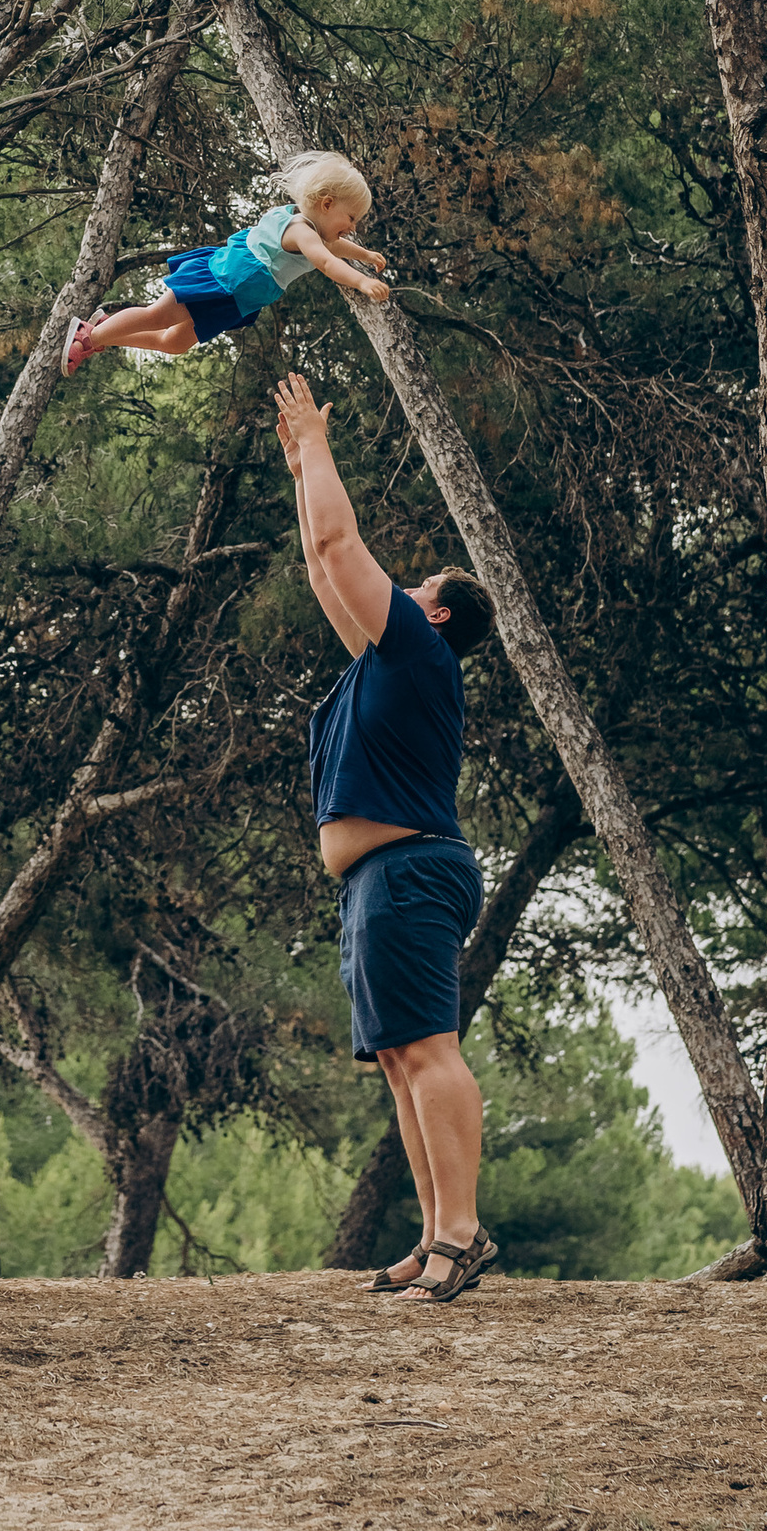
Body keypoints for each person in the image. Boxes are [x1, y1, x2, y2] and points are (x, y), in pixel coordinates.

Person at [275, 370, 501, 1308]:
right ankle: (435, 1231)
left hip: (410, 871)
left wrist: (320, 445)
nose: (403, 588)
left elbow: (341, 540)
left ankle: (460, 1236)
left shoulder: (420, 648)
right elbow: (323, 564)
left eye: (420, 585)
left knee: (431, 1052)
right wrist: (297, 462)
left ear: (438, 612)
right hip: (379, 880)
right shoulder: (384, 659)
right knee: (406, 1060)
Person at [62, 149, 390, 373]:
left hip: (234, 299)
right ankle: (88, 337)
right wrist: (361, 280)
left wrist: (363, 255)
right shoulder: (301, 230)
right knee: (158, 316)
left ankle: (103, 331)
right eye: (351, 218)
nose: (353, 228)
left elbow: (336, 248)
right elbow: (327, 262)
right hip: (223, 281)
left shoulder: (312, 230)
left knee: (173, 343)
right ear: (328, 204)